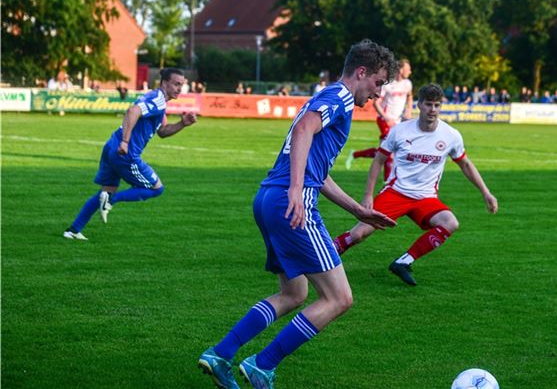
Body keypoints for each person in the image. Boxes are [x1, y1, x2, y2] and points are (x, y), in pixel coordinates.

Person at [197, 39, 397, 389]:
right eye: (379, 82)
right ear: (361, 72)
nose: (378, 93)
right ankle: (263, 365)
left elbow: (318, 171)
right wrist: (295, 190)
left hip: (268, 198)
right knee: (339, 298)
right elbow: (304, 131)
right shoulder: (340, 97)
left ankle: (221, 353)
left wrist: (358, 210)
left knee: (294, 294)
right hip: (291, 200)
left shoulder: (325, 98)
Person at [333, 84, 498, 286]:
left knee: (450, 222)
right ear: (419, 104)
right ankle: (318, 256)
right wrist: (368, 194)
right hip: (396, 192)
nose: (433, 110)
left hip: (426, 198)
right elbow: (378, 160)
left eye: (437, 105)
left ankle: (403, 262)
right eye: (428, 104)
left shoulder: (451, 135)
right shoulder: (400, 131)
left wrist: (486, 193)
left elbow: (465, 163)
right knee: (358, 234)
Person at [63, 68, 197, 241]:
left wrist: (182, 124)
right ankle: (111, 201)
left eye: (182, 85)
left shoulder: (157, 99)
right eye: (176, 84)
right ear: (164, 83)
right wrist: (125, 142)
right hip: (125, 152)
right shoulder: (158, 100)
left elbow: (162, 131)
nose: (179, 88)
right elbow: (132, 111)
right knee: (155, 188)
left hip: (112, 145)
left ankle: (73, 230)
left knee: (105, 191)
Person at [345, 58, 413, 181]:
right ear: (401, 69)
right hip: (384, 119)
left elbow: (410, 96)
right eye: (408, 69)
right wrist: (386, 117)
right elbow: (376, 103)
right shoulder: (389, 85)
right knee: (390, 151)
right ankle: (387, 181)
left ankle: (355, 154)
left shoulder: (407, 84)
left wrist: (408, 110)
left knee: (385, 150)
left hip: (397, 121)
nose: (410, 72)